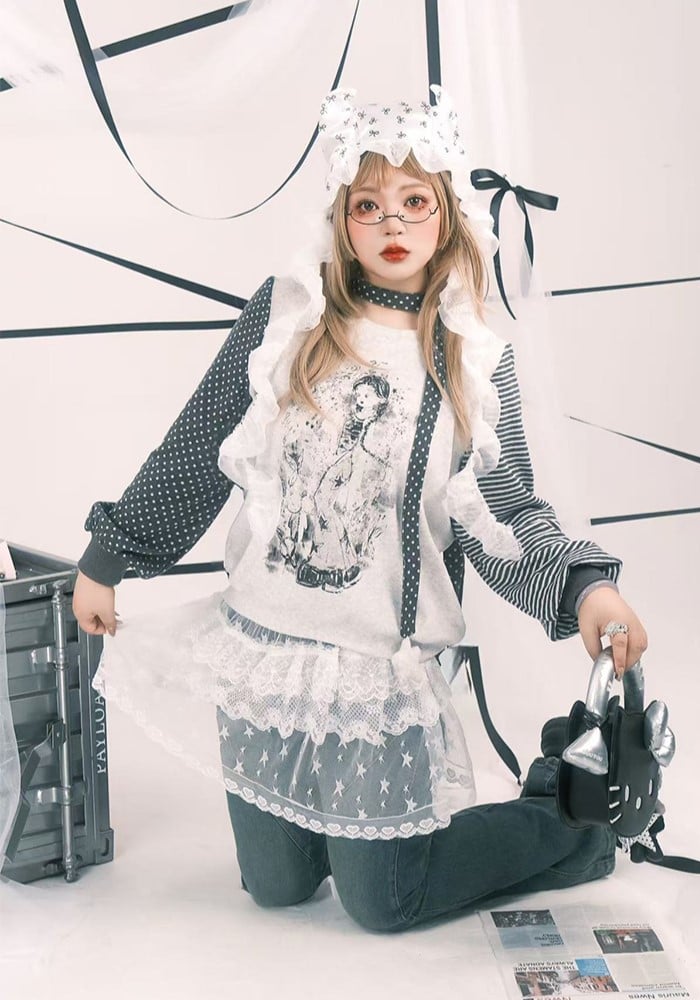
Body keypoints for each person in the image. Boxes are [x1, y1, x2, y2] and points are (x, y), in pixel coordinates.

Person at [71, 87, 648, 933]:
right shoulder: (286, 317)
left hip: (376, 669)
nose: (392, 223)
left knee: (384, 902)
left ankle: (570, 828)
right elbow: (197, 445)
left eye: (415, 202)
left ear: (447, 215)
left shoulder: (469, 357)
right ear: (341, 218)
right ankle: (338, 835)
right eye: (369, 205)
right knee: (277, 888)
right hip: (265, 653)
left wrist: (585, 588)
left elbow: (505, 508)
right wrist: (109, 557)